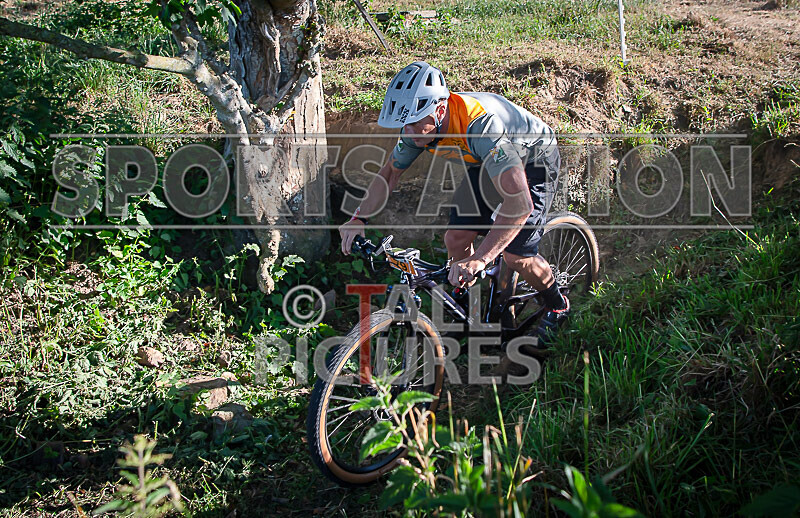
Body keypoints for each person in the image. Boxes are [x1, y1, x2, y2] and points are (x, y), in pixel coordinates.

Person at [339, 61, 568, 346]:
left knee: (516, 256)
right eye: (404, 124)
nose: (408, 132)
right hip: (487, 161)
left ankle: (558, 305)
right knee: (456, 238)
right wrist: (358, 218)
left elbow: (519, 204)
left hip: (534, 157)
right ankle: (467, 311)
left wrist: (481, 258)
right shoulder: (418, 130)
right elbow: (389, 174)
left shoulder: (480, 126)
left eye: (414, 123)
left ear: (439, 111)